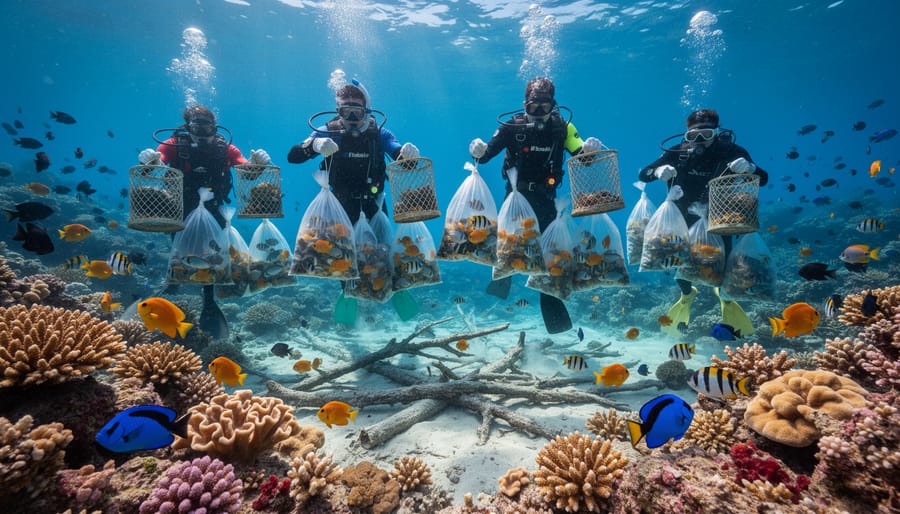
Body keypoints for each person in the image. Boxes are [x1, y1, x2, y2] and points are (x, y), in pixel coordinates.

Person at [468, 77, 604, 334]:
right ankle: (502, 284)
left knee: (550, 259)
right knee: (511, 250)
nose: (539, 113)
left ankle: (555, 322)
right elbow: (484, 156)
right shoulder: (511, 127)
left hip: (546, 200)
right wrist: (477, 149)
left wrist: (588, 149)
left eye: (545, 107)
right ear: (524, 104)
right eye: (534, 106)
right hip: (516, 198)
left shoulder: (563, 128)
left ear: (554, 105)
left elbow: (581, 157)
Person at [287, 79, 420, 323]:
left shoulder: (379, 133)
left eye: (356, 111)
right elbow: (293, 156)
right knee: (341, 254)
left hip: (374, 203)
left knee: (382, 249)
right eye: (343, 111)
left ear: (366, 109)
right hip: (340, 206)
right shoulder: (328, 131)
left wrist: (408, 155)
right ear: (337, 110)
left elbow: (399, 154)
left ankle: (394, 288)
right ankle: (347, 292)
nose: (350, 117)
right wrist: (313, 145)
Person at [138, 104, 272, 340]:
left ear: (214, 127)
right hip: (180, 205)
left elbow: (246, 171)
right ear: (188, 127)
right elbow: (155, 164)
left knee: (213, 253)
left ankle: (208, 299)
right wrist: (149, 160)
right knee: (180, 245)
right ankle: (174, 281)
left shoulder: (225, 148)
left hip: (214, 206)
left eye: (207, 126)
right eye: (196, 126)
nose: (202, 132)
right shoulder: (173, 144)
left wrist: (258, 164)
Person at [638, 108, 768, 337]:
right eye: (692, 136)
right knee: (682, 263)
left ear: (716, 133)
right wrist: (657, 171)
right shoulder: (678, 152)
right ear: (686, 135)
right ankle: (687, 294)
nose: (698, 141)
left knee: (721, 262)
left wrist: (751, 168)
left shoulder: (730, 151)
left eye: (706, 135)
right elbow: (643, 173)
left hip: (721, 219)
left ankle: (724, 298)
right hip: (681, 218)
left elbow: (763, 178)